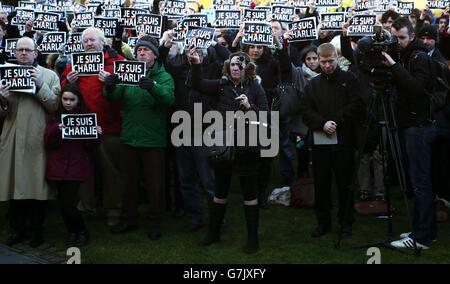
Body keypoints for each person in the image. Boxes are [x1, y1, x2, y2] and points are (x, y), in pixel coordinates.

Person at [187, 50, 269, 254]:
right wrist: (196, 65)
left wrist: (250, 107)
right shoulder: (221, 85)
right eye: (232, 64)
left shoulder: (255, 87)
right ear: (228, 66)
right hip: (223, 147)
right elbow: (198, 84)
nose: (235, 67)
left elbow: (267, 116)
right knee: (220, 192)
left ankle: (252, 239)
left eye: (240, 65)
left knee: (249, 194)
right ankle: (213, 234)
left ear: (247, 68)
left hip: (248, 147)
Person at [103, 36, 175, 240]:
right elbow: (114, 97)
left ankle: (155, 222)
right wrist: (109, 86)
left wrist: (153, 87)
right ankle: (129, 219)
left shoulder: (163, 77)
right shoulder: (128, 73)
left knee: (155, 185)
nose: (141, 53)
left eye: (146, 50)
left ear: (155, 54)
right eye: (139, 50)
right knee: (128, 183)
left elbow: (169, 99)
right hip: (130, 136)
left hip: (153, 139)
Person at [299, 43, 365, 238]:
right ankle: (323, 222)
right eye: (323, 62)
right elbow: (305, 111)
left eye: (330, 61)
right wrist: (322, 124)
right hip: (320, 143)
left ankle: (346, 222)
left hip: (344, 141)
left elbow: (358, 104)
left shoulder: (349, 79)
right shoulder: (313, 84)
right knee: (321, 184)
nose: (327, 65)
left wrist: (336, 120)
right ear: (318, 60)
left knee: (345, 184)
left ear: (337, 58)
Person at [381, 17, 437, 249]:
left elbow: (416, 88)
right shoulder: (407, 56)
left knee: (421, 183)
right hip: (410, 125)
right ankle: (423, 230)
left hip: (419, 126)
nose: (399, 42)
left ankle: (421, 237)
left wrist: (394, 66)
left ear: (412, 36)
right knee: (417, 182)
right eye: (396, 37)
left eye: (402, 37)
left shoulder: (420, 57)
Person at [0, 36, 61, 247]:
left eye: (28, 50)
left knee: (37, 187)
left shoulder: (49, 75)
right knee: (16, 186)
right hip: (14, 137)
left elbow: (55, 106)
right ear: (14, 53)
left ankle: (36, 231)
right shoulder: (5, 76)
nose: (24, 53)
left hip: (38, 138)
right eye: (20, 50)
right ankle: (16, 230)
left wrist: (40, 86)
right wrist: (2, 99)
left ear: (36, 53)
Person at [61, 27, 124, 226]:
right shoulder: (74, 66)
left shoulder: (116, 62)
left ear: (102, 42)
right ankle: (86, 207)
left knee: (111, 171)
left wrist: (112, 81)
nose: (88, 44)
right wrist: (66, 81)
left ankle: (113, 209)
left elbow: (126, 88)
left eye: (92, 40)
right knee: (84, 171)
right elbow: (63, 93)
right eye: (85, 41)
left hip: (108, 126)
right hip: (82, 127)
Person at [44, 84, 102, 248]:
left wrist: (96, 134)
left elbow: (91, 146)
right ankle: (72, 232)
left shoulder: (85, 117)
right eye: (65, 99)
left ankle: (81, 231)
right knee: (63, 204)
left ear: (78, 100)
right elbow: (48, 142)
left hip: (76, 166)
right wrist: (56, 129)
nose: (68, 103)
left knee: (68, 202)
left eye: (72, 99)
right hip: (58, 166)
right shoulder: (56, 117)